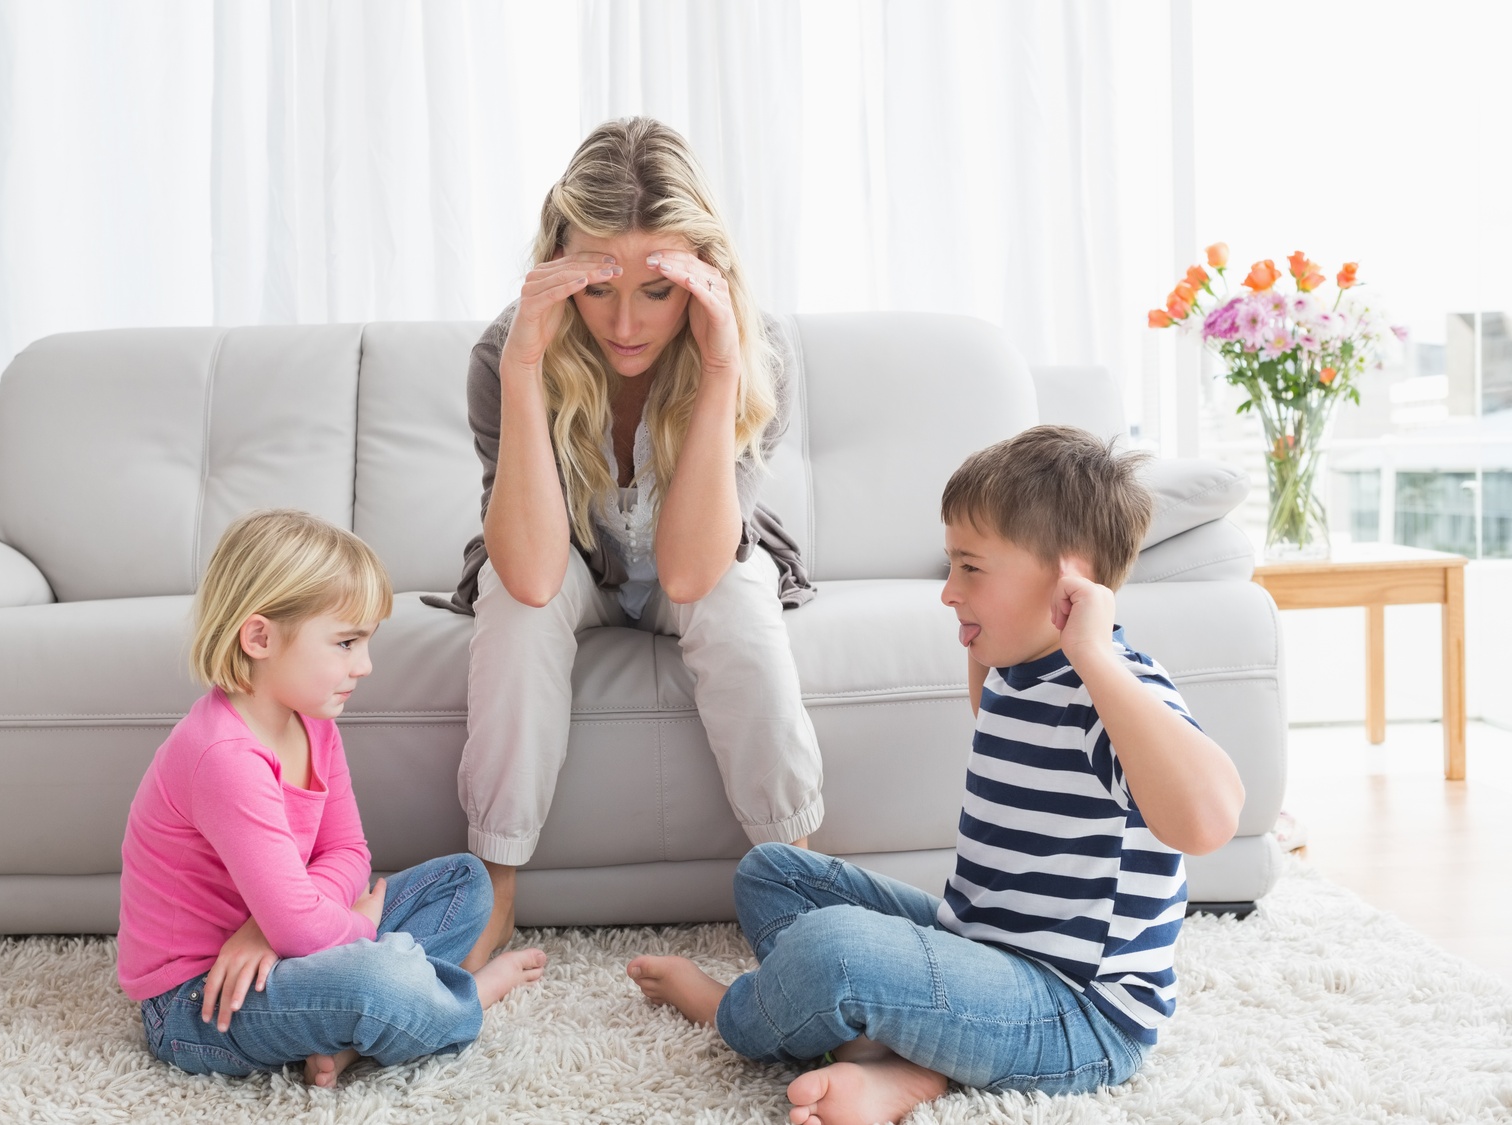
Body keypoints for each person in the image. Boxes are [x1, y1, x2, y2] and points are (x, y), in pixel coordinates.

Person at [626, 426, 1247, 1125]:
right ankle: (905, 1061)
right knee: (773, 872)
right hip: (979, 950)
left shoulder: (1113, 692)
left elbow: (1210, 818)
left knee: (835, 951)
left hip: (1077, 1013)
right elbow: (992, 714)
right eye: (950, 565)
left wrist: (1094, 653)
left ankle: (737, 1011)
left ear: (1070, 581)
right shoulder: (1020, 669)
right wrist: (987, 628)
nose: (949, 592)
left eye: (971, 568)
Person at [428, 117, 823, 963]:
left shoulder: (758, 354)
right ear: (558, 267)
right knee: (513, 606)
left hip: (698, 553)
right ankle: (494, 888)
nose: (625, 323)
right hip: (564, 558)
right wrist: (527, 370)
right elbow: (533, 573)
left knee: (738, 603)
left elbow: (690, 569)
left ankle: (795, 884)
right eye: (598, 285)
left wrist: (719, 371)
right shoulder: (507, 348)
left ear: (704, 276)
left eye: (657, 288)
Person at [117, 509, 546, 1087]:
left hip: (287, 946)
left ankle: (348, 1039)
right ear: (260, 636)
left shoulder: (313, 721)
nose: (364, 666)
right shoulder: (224, 757)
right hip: (201, 1001)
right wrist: (339, 928)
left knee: (466, 882)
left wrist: (278, 926)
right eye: (346, 643)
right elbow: (306, 924)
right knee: (378, 981)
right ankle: (466, 998)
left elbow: (349, 851)